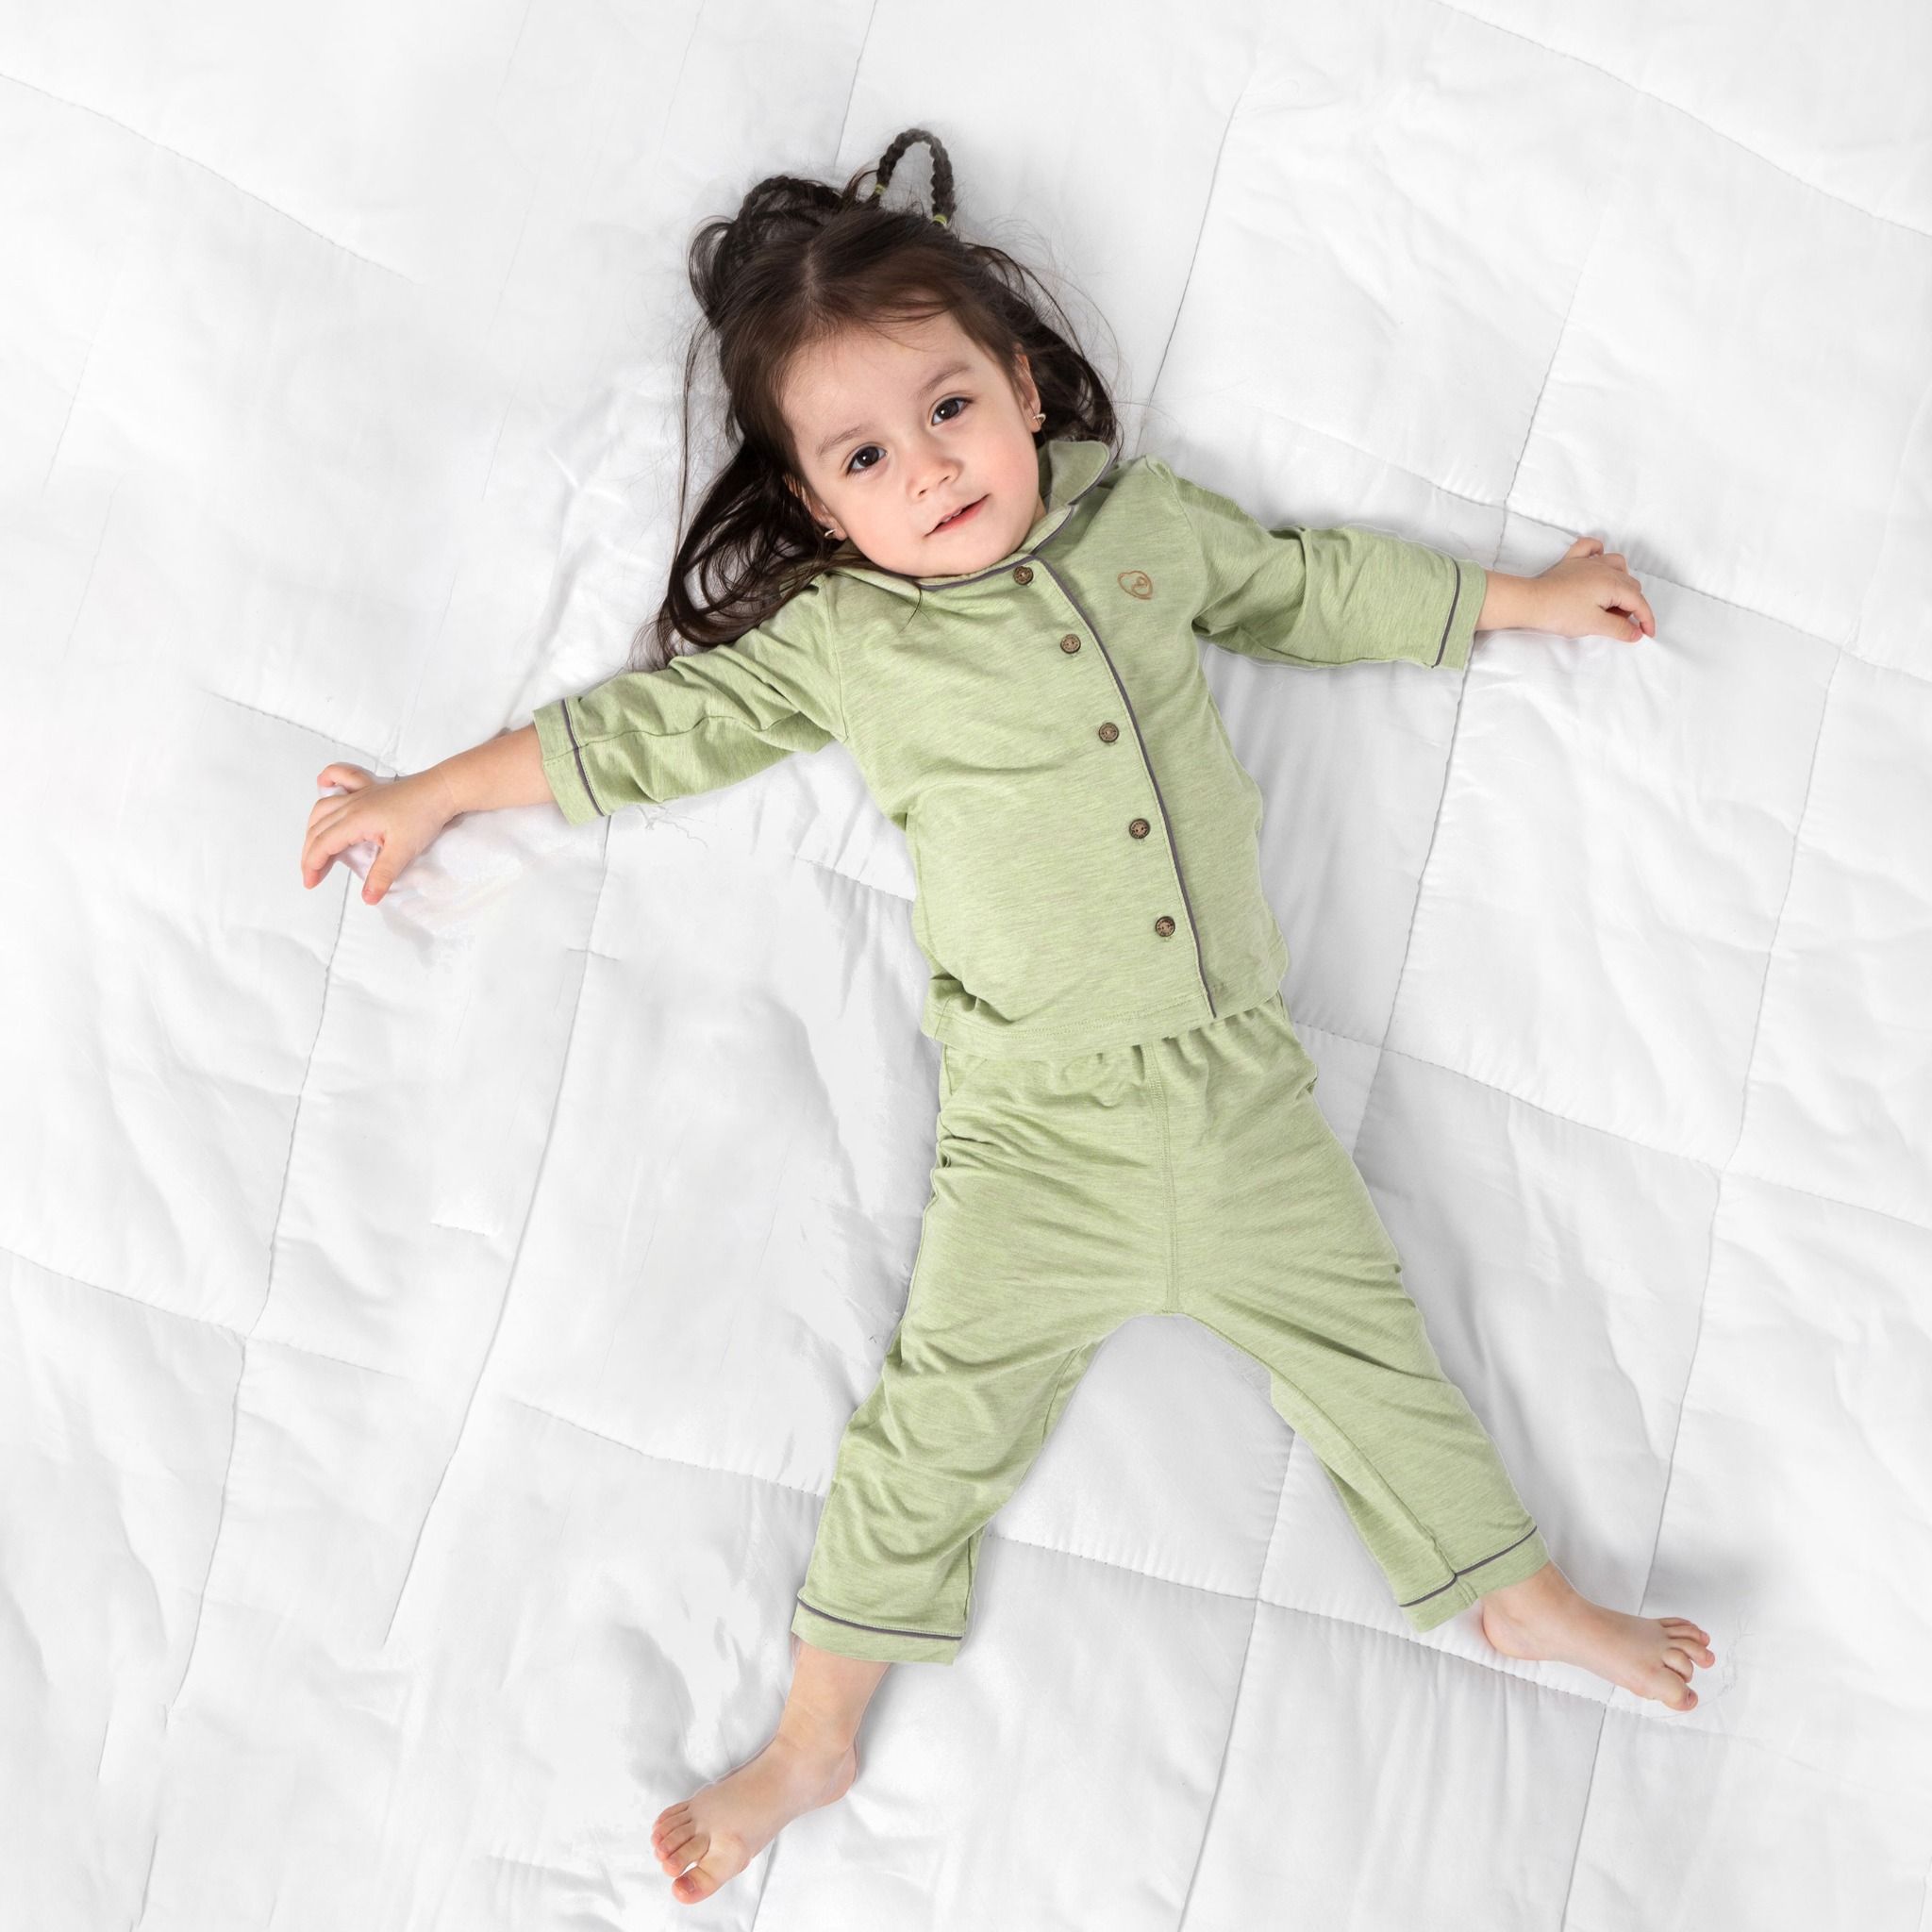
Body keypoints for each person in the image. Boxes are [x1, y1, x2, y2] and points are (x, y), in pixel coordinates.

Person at [298, 126, 1714, 1907]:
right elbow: (659, 730)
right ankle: (810, 1743)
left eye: (952, 407)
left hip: (1239, 1098)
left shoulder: (1146, 529)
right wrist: (436, 791)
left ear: (1026, 391)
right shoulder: (851, 643)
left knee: (1380, 1363)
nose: (931, 467)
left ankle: (1514, 1594)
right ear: (825, 509)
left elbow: (1307, 586)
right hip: (1033, 1140)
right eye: (868, 457)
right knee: (925, 1445)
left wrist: (1523, 600)